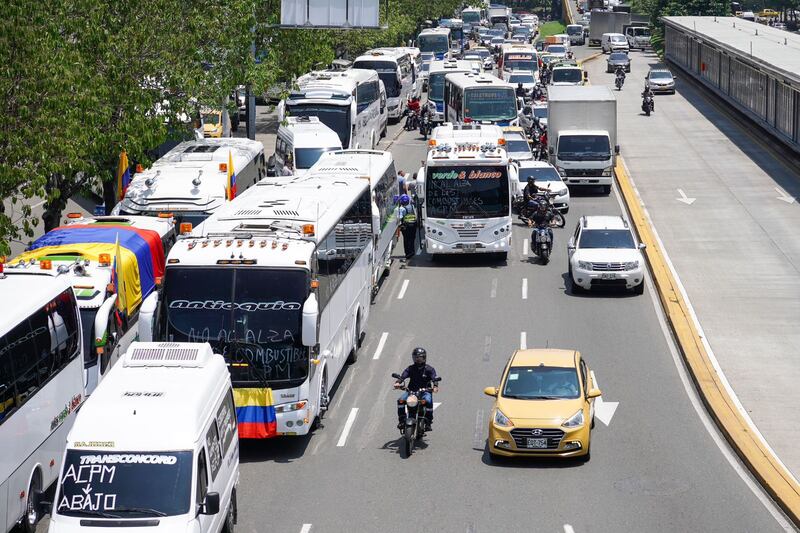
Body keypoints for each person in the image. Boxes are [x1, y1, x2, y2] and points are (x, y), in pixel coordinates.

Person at [394, 347, 439, 430]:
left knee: (428, 401)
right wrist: (398, 382)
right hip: (411, 391)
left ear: (424, 358)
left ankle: (428, 422)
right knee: (400, 400)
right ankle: (402, 420)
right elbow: (403, 375)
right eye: (416, 357)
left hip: (425, 391)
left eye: (420, 357)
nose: (418, 360)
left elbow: (434, 378)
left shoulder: (429, 369)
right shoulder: (411, 368)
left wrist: (435, 386)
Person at [398, 194, 417, 260]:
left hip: (406, 227)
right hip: (413, 225)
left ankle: (408, 253)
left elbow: (400, 218)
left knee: (406, 240)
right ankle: (412, 251)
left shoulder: (402, 208)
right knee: (412, 239)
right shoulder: (412, 206)